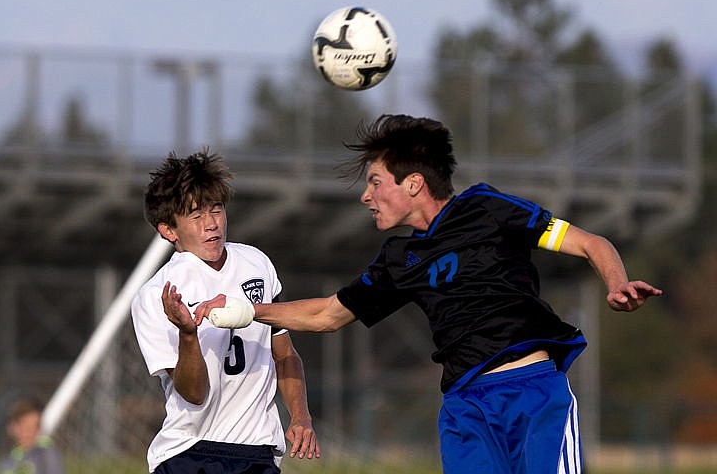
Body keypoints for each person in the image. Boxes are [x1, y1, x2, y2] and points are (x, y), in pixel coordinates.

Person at [195, 114, 663, 473]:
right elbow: (326, 315)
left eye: (375, 182)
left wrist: (616, 281)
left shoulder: (486, 208)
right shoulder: (399, 259)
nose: (365, 196)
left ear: (413, 183)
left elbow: (589, 242)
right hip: (465, 410)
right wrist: (243, 311)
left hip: (533, 396)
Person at [131, 149, 319, 474]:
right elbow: (193, 394)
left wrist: (301, 416)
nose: (212, 224)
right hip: (188, 453)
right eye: (196, 216)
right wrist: (188, 334)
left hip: (258, 451)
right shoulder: (154, 296)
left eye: (215, 209)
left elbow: (285, 354)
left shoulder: (257, 264)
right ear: (168, 231)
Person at [0, 398, 64, 474]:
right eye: (26, 427)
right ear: (14, 428)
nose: (31, 432)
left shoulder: (46, 455)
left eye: (35, 427)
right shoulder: (7, 462)